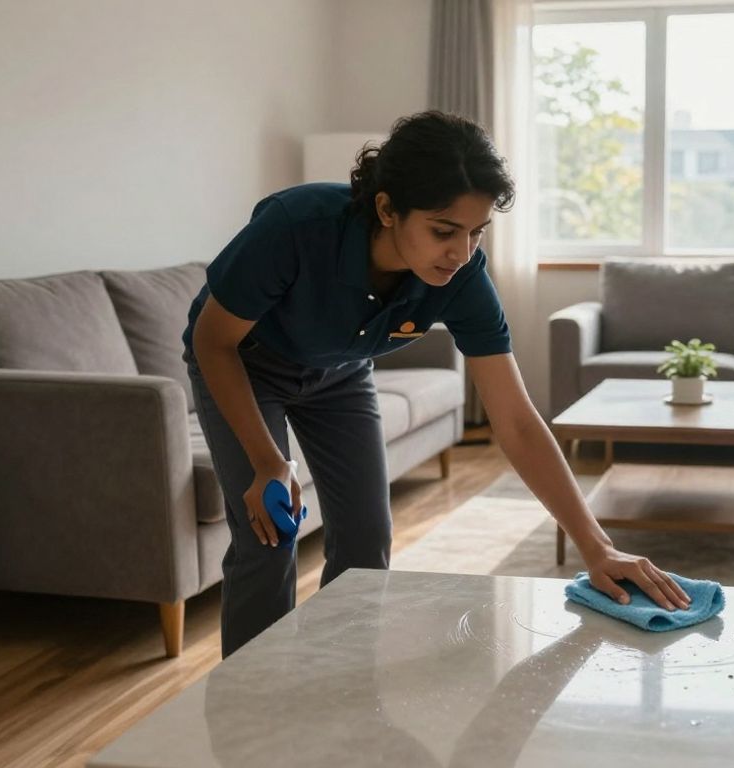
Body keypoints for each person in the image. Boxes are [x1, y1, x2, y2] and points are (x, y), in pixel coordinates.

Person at [183, 111, 690, 657]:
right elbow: (214, 343)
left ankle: (342, 689)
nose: (462, 252)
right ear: (386, 208)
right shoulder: (295, 226)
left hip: (341, 375)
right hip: (245, 363)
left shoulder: (464, 277)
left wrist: (597, 547)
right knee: (269, 539)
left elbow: (517, 422)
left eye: (476, 232)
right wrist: (266, 462)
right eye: (444, 231)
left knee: (366, 540)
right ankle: (251, 710)